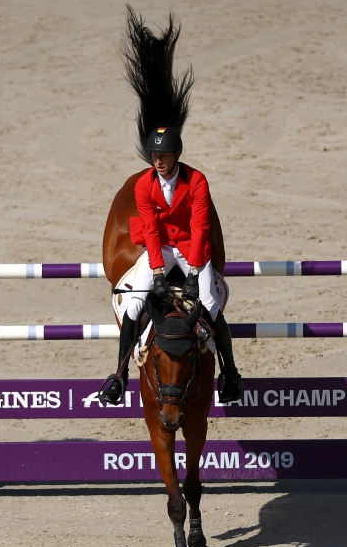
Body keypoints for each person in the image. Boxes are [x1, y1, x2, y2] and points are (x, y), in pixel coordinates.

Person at [100, 126, 242, 405]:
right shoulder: (144, 185)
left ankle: (230, 373)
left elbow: (201, 226)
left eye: (164, 155)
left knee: (210, 304)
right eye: (155, 155)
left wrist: (193, 271)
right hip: (161, 247)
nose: (158, 161)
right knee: (132, 303)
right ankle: (119, 375)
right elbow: (151, 230)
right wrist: (157, 271)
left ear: (177, 154)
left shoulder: (197, 180)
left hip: (191, 247)